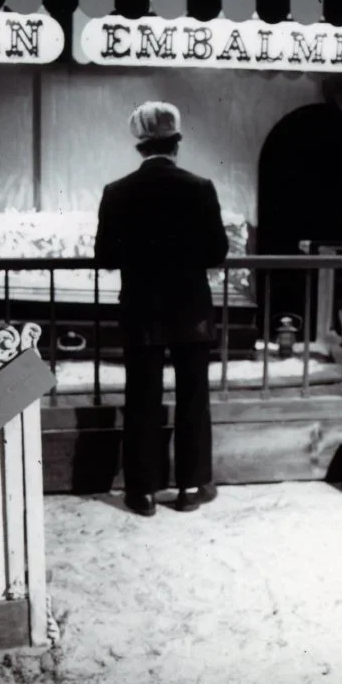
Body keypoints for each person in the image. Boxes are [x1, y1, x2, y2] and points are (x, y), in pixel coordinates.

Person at [95, 101, 230, 517]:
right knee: (193, 396)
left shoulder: (117, 192)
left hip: (141, 309)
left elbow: (105, 256)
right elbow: (217, 252)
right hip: (190, 308)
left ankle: (143, 493)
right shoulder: (200, 187)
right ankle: (190, 487)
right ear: (177, 144)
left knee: (141, 398)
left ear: (140, 147)